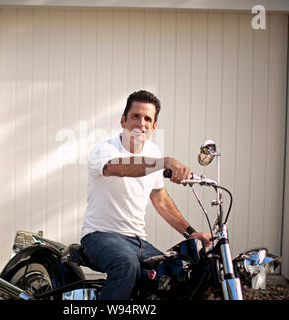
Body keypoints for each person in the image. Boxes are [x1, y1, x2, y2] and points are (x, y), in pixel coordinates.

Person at [80, 90, 211, 300]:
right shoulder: (104, 150)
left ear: (154, 127)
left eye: (148, 119)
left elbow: (160, 199)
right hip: (99, 235)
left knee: (174, 273)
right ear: (123, 120)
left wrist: (190, 233)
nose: (141, 123)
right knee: (126, 265)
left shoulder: (154, 152)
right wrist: (163, 162)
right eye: (135, 116)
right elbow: (119, 168)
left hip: (138, 240)